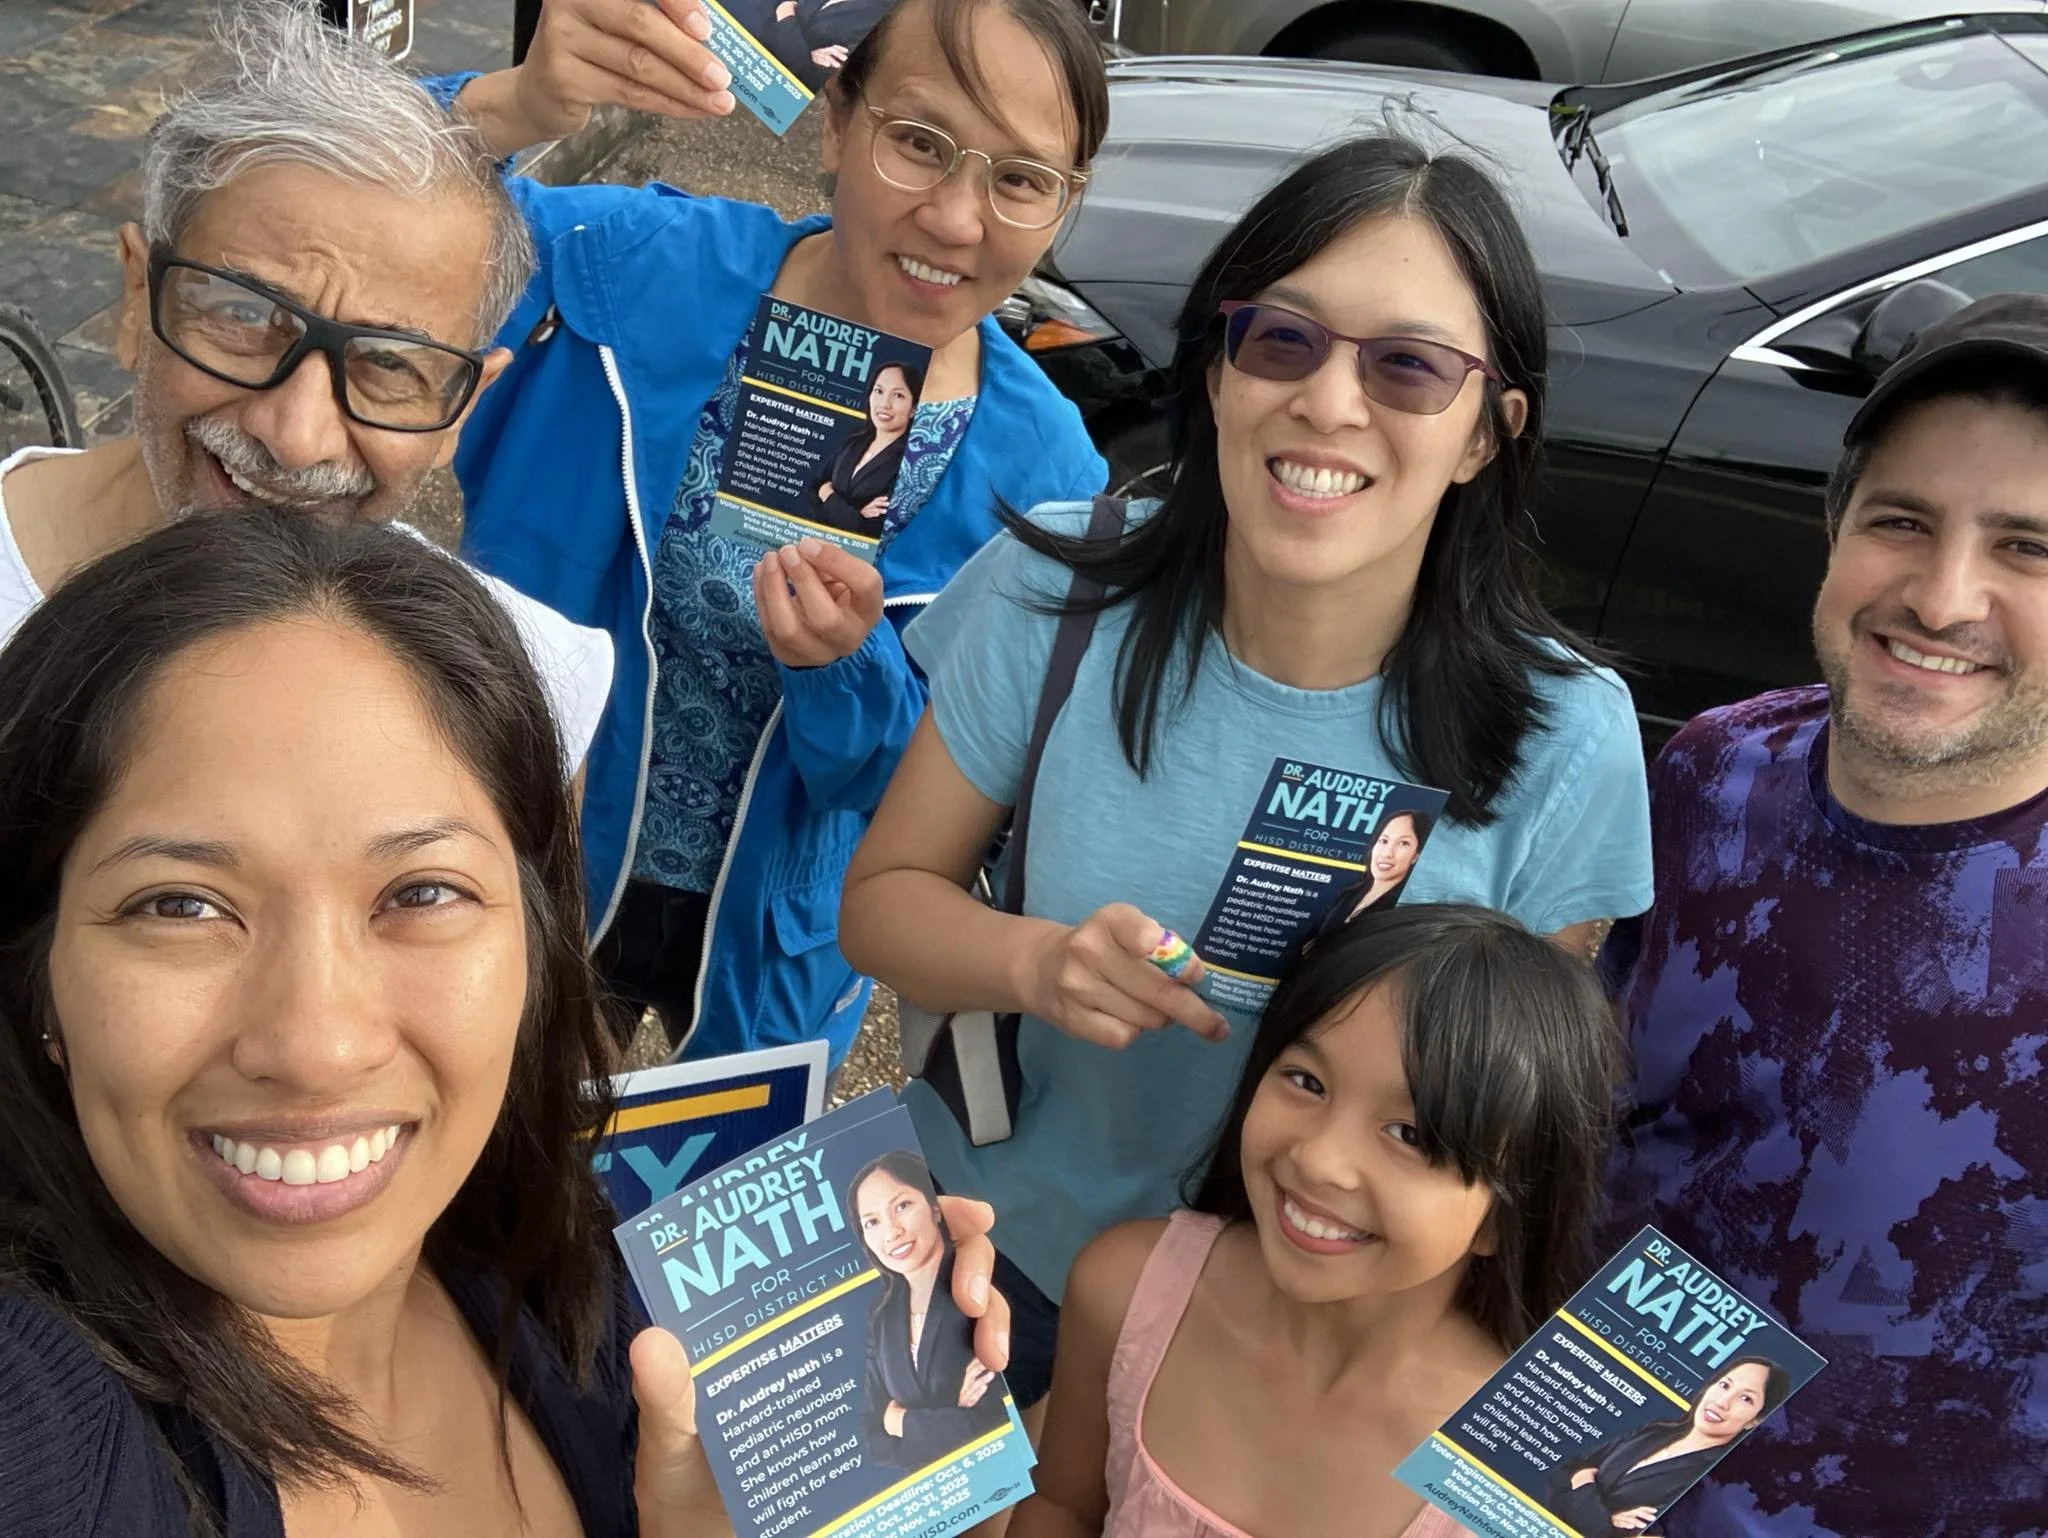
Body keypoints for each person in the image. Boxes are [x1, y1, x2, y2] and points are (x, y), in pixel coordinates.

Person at [840, 134, 1655, 1413]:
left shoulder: (1564, 732)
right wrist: (1033, 962)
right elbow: (884, 899)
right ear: (1216, 375)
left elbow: (1500, 1125)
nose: (1329, 403)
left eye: (1406, 366)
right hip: (998, 1268)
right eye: (1281, 339)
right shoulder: (1059, 589)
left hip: (1276, 1343)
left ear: (1487, 435)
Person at [0, 509, 1013, 1536]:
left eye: (420, 892)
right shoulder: (39, 1432)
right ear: (36, 977)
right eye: (181, 905)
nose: (315, 1046)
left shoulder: (589, 1285)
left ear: (534, 943)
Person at [434, 0, 1111, 1062]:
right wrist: (512, 102)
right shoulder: (630, 270)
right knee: (496, 1179)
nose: (954, 219)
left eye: (1021, 180)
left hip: (777, 938)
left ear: (1062, 207)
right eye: (920, 143)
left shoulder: (1043, 475)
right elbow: (350, 205)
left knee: (709, 1204)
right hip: (534, 847)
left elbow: (932, 805)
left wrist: (847, 668)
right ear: (838, 122)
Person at [1601, 293, 2048, 1537]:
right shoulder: (1708, 774)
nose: (1944, 596)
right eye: (1901, 520)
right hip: (1580, 1477)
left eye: (2028, 547)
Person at [0, 0, 613, 774]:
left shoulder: (525, 696)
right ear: (134, 297)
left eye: (389, 363)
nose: (295, 436)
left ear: (463, 407)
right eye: (244, 314)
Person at [1011, 905, 1619, 1538]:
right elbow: (1062, 1508)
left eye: (1409, 1133)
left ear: (1505, 1214)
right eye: (1306, 1080)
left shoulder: (1535, 1468)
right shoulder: (1124, 1290)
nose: (1320, 1159)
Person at [849, 1149, 1011, 1468]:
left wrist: (899, 1421)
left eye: (903, 1206)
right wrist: (951, 1414)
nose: (892, 1231)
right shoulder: (881, 1318)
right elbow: (872, 1437)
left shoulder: (973, 1285)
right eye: (872, 1221)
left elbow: (990, 1427)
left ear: (935, 1209)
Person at [1547, 1359, 1790, 1535]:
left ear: (1755, 1420)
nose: (1722, 1402)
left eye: (1746, 1398)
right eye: (1724, 1385)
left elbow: (1602, 1532)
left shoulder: (1709, 1483)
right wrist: (1594, 1498)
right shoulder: (1657, 1429)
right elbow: (1561, 1472)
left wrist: (1584, 1482)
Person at [810, 360, 925, 531]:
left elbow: (868, 528)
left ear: (914, 409)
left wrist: (827, 494)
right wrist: (855, 513)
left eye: (898, 395)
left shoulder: (910, 461)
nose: (884, 404)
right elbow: (811, 492)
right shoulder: (854, 440)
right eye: (879, 391)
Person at [1317, 808, 1434, 935]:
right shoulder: (1348, 893)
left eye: (1403, 843)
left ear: (1416, 855)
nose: (1387, 853)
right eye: (1384, 841)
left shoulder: (1402, 911)